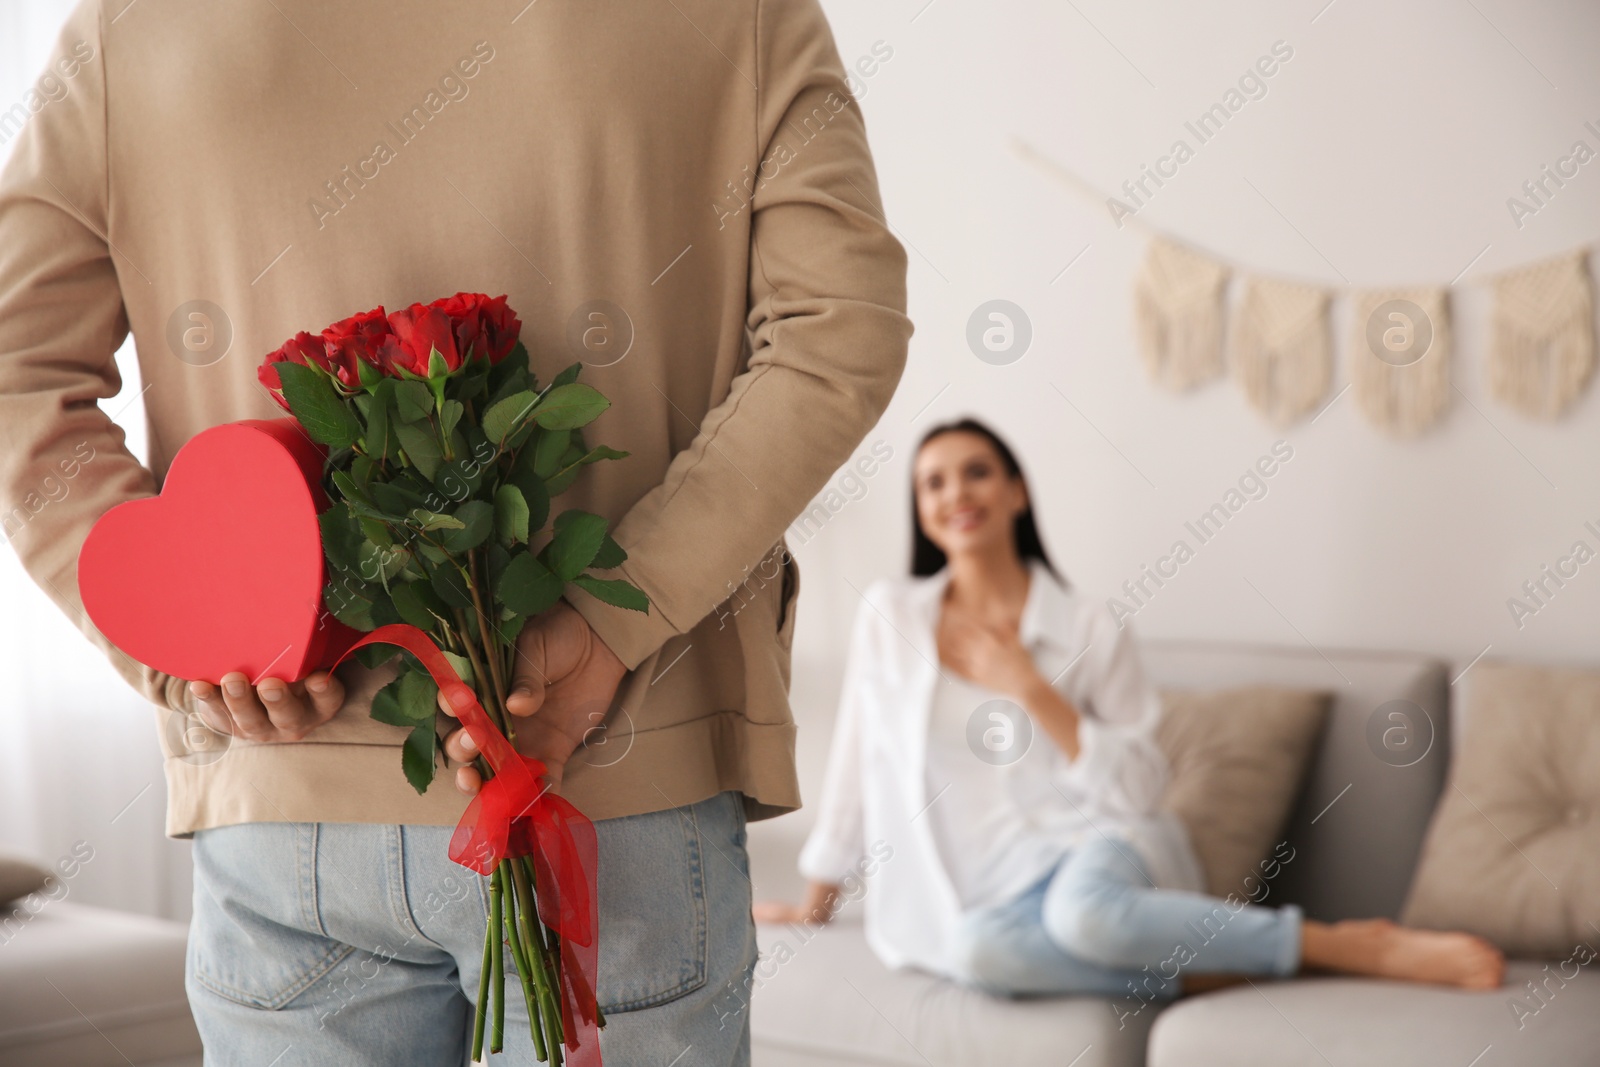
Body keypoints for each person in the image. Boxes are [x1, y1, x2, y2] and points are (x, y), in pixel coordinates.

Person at [0, 2, 911, 1064]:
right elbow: (841, 329)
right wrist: (620, 614)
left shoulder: (133, 23)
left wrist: (197, 652)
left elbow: (16, 373)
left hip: (283, 785)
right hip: (619, 775)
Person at [755, 417, 1505, 1003]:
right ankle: (1214, 970)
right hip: (989, 895)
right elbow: (858, 767)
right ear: (922, 510)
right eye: (934, 482)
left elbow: (1144, 787)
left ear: (1016, 491)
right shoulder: (891, 616)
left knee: (1084, 916)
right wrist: (816, 903)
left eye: (976, 471)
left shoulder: (1087, 624)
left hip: (1099, 846)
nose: (957, 493)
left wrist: (1033, 689)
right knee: (977, 952)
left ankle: (1338, 945)